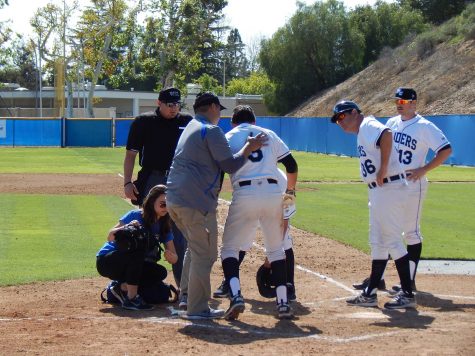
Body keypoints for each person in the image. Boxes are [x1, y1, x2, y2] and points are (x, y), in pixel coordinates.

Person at [166, 93, 267, 320]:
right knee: (205, 254)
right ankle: (197, 308)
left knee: (195, 247)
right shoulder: (210, 131)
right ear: (211, 107)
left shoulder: (191, 126)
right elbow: (230, 165)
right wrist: (248, 149)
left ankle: (186, 297)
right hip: (195, 202)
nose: (220, 114)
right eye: (219, 109)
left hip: (175, 199)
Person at [352, 88, 452, 293]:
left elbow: (446, 149)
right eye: (397, 100)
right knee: (388, 231)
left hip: (415, 183)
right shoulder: (391, 123)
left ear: (414, 103)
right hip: (391, 184)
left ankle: (410, 281)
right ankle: (376, 279)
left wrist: (423, 169)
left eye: (404, 100)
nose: (400, 103)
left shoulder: (424, 126)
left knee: (411, 232)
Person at [331, 100, 416, 309]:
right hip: (380, 190)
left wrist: (383, 168)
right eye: (336, 120)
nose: (340, 122)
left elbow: (387, 134)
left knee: (393, 241)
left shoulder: (368, 125)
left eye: (341, 116)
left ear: (353, 112)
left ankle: (407, 294)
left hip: (389, 188)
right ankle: (370, 294)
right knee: (377, 242)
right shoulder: (362, 131)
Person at [219, 105, 298, 320]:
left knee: (228, 249)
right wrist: (289, 192)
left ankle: (235, 295)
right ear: (254, 121)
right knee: (276, 251)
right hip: (274, 192)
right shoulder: (269, 134)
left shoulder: (228, 136)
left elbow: (220, 170)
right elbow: (291, 164)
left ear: (234, 122)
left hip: (244, 192)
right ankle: (282, 304)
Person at [123, 87, 192, 287]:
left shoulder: (187, 122)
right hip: (152, 179)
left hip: (179, 181)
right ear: (158, 103)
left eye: (177, 104)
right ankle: (145, 283)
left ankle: (184, 286)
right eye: (170, 105)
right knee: (147, 232)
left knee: (180, 233)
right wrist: (128, 182)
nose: (174, 109)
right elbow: (130, 155)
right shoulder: (144, 122)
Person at [213, 168, 297, 302]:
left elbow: (285, 219)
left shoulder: (284, 181)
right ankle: (228, 283)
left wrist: (273, 254)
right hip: (251, 204)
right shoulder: (248, 172)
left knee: (285, 242)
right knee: (241, 241)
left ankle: (289, 286)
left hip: (272, 209)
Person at [96, 184, 178, 310]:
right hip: (108, 262)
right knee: (139, 249)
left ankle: (120, 288)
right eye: (162, 204)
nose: (166, 208)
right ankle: (131, 299)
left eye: (168, 204)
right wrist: (127, 227)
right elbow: (110, 236)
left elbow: (175, 258)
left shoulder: (164, 224)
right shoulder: (135, 215)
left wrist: (171, 256)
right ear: (151, 202)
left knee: (159, 272)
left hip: (133, 264)